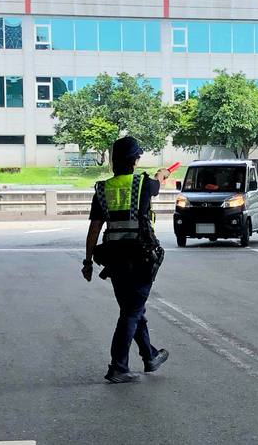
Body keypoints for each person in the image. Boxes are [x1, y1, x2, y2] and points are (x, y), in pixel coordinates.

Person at [82, 136, 171, 383]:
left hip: (114, 260)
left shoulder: (102, 189)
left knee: (132, 308)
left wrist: (87, 262)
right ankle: (118, 366)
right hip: (141, 258)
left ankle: (150, 356)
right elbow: (158, 183)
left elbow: (94, 230)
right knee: (131, 311)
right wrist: (162, 174)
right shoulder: (144, 184)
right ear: (135, 160)